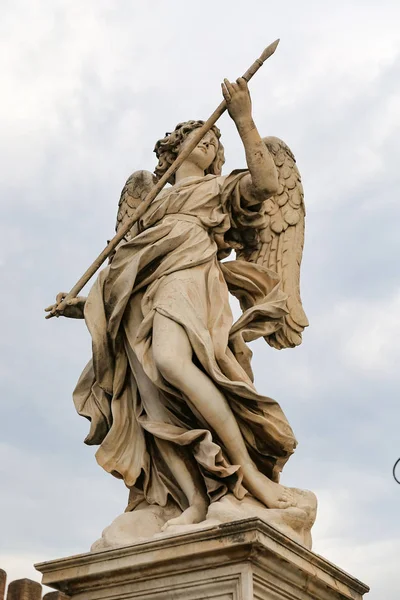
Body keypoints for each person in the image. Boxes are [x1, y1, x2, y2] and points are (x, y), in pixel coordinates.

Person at [46, 77, 298, 530]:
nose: (208, 140)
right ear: (176, 147)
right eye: (198, 134)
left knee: (173, 361)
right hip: (138, 302)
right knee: (150, 402)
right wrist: (83, 305)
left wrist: (242, 118)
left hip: (190, 281)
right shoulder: (150, 206)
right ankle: (191, 501)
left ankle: (251, 480)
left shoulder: (219, 190)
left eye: (213, 139)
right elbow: (123, 270)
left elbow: (266, 184)